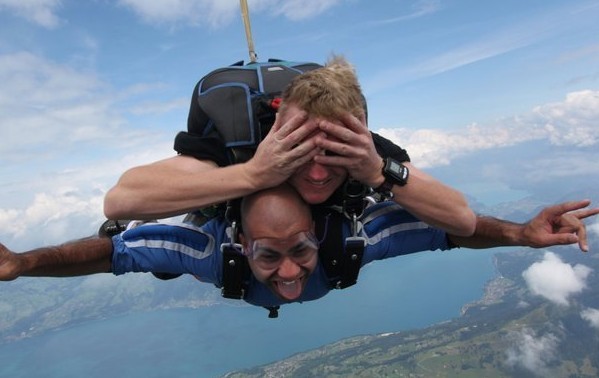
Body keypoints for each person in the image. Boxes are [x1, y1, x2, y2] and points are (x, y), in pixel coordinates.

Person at [1, 184, 597, 310]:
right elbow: (115, 250)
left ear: (321, 237)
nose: (289, 271)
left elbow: (447, 228)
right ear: (240, 244)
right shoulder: (205, 250)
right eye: (268, 255)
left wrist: (520, 233)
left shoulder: (350, 243)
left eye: (301, 250)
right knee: (152, 260)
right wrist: (23, 263)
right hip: (212, 222)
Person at [103, 56, 477, 237]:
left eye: (332, 155)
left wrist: (378, 173)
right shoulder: (242, 145)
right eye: (301, 153)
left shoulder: (361, 148)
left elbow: (463, 219)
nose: (316, 174)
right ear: (282, 134)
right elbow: (120, 201)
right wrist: (253, 173)